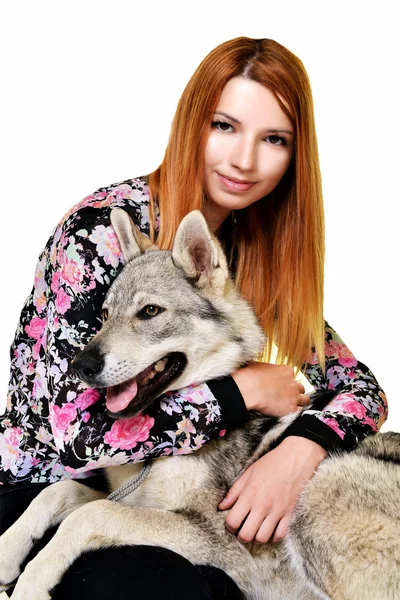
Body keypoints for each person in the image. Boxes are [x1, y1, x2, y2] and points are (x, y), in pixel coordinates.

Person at [0, 37, 387, 599]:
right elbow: (76, 438)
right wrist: (242, 390)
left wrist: (304, 445)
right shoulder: (100, 230)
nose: (244, 159)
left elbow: (360, 389)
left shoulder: (252, 257)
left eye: (273, 138)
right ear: (191, 123)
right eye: (224, 126)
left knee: (222, 583)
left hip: (164, 500)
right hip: (42, 487)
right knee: (180, 590)